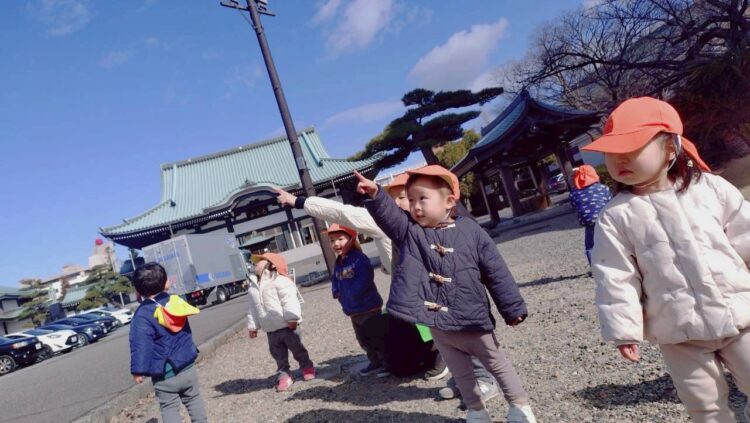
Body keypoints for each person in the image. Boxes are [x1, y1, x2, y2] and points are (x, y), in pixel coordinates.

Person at [583, 97, 750, 423]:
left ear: (671, 148)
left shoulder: (709, 188)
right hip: (679, 331)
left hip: (740, 313)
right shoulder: (616, 216)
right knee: (703, 403)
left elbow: (744, 232)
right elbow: (616, 275)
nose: (620, 159)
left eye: (632, 148)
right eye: (612, 152)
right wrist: (624, 329)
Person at [274, 178, 499, 398]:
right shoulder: (388, 222)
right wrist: (300, 201)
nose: (403, 202)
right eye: (396, 198)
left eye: (407, 197)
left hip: (447, 290)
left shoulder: (438, 223)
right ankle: (460, 378)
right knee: (439, 336)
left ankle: (482, 378)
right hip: (418, 293)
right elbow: (342, 213)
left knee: (464, 334)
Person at [357, 165, 536, 423]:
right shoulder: (410, 232)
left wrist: (512, 308)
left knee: (496, 363)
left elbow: (496, 271)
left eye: (422, 198)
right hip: (439, 324)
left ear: (449, 202)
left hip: (473, 318)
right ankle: (476, 410)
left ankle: (519, 406)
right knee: (461, 372)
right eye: (411, 200)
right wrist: (375, 194)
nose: (415, 206)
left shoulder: (472, 231)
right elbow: (390, 216)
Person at [129, 263, 207, 423]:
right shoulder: (175, 302)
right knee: (193, 398)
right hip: (187, 365)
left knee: (169, 407)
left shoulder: (142, 315)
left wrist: (138, 370)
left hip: (165, 374)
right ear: (165, 282)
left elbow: (141, 345)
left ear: (137, 290)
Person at [326, 223, 389, 377]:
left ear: (351, 239)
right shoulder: (339, 262)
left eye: (340, 239)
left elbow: (365, 278)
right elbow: (335, 279)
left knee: (376, 336)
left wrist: (351, 293)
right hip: (352, 310)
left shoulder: (359, 258)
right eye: (332, 240)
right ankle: (374, 361)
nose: (335, 243)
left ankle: (387, 363)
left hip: (367, 307)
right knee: (363, 339)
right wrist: (336, 292)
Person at [246, 252, 315, 392]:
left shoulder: (280, 281)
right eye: (254, 263)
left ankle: (307, 366)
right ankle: (284, 374)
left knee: (297, 348)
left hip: (287, 326)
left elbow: (289, 300)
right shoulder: (253, 287)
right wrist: (253, 327)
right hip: (270, 329)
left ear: (271, 264)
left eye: (259, 262)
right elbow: (252, 309)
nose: (255, 265)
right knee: (278, 355)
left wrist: (292, 318)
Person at [568, 165, 612, 266]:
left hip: (589, 222)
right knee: (610, 240)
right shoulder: (603, 188)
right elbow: (609, 201)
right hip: (605, 219)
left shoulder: (575, 193)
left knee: (590, 245)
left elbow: (574, 205)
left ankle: (595, 266)